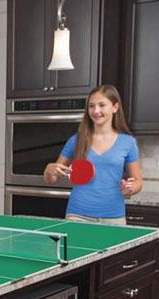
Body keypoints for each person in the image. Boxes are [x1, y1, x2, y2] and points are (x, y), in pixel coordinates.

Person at [43, 84, 143, 225]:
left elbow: (138, 181)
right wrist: (49, 169)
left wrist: (131, 187)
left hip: (114, 217)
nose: (96, 111)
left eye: (102, 105)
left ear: (115, 107)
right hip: (78, 215)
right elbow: (51, 179)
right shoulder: (76, 140)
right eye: (91, 106)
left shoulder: (128, 142)